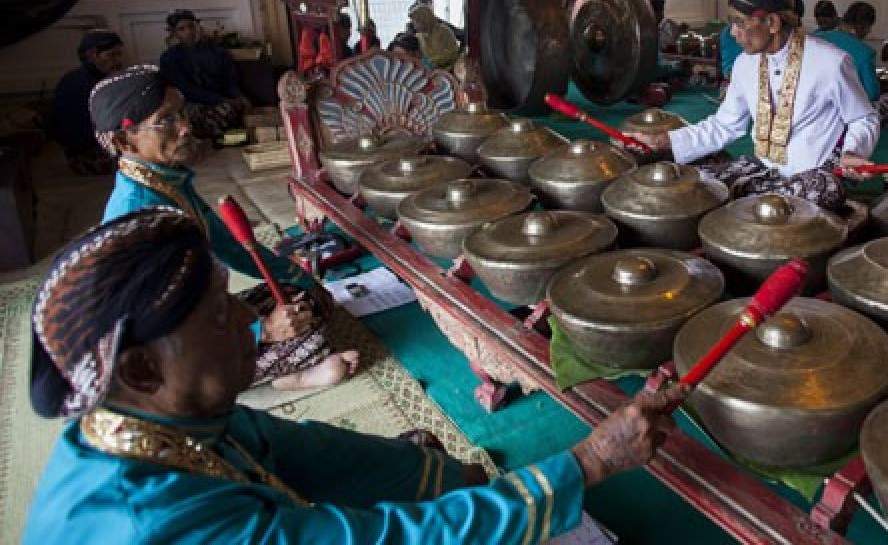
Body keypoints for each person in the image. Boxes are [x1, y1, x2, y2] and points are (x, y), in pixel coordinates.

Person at [25, 207, 685, 544]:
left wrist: (451, 477)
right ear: (140, 366)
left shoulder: (163, 421)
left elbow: (305, 450)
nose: (248, 319)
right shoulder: (161, 526)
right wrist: (589, 462)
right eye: (216, 313)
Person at [89, 65, 358, 391]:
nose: (185, 127)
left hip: (194, 314)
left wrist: (302, 278)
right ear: (123, 141)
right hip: (157, 350)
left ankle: (277, 361)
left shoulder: (167, 180)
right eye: (167, 120)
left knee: (298, 299)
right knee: (307, 339)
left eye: (182, 114)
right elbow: (160, 323)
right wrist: (264, 331)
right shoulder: (136, 215)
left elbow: (232, 245)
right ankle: (290, 374)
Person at [623, 0, 879, 211]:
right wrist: (661, 141)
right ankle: (751, 196)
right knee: (692, 184)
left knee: (822, 191)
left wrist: (853, 152)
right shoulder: (745, 63)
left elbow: (863, 118)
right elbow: (723, 126)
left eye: (739, 23)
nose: (732, 32)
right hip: (763, 169)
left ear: (772, 22)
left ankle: (752, 198)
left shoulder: (830, 62)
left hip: (813, 177)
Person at [158, 10, 249, 140]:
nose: (188, 32)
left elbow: (230, 79)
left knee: (240, 108)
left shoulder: (217, 52)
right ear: (174, 33)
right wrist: (221, 100)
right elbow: (185, 89)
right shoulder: (169, 58)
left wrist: (238, 96)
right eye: (181, 29)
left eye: (191, 26)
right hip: (191, 102)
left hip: (222, 98)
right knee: (220, 112)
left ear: (197, 26)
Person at [48, 29, 124, 175]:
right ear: (92, 55)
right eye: (111, 55)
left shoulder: (101, 78)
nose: (117, 61)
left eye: (119, 54)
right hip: (86, 151)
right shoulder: (79, 83)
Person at [408, 0, 461, 70]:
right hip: (430, 72)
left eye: (416, 21)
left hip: (449, 71)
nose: (413, 25)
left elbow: (453, 52)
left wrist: (434, 61)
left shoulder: (444, 31)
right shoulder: (418, 36)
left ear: (424, 20)